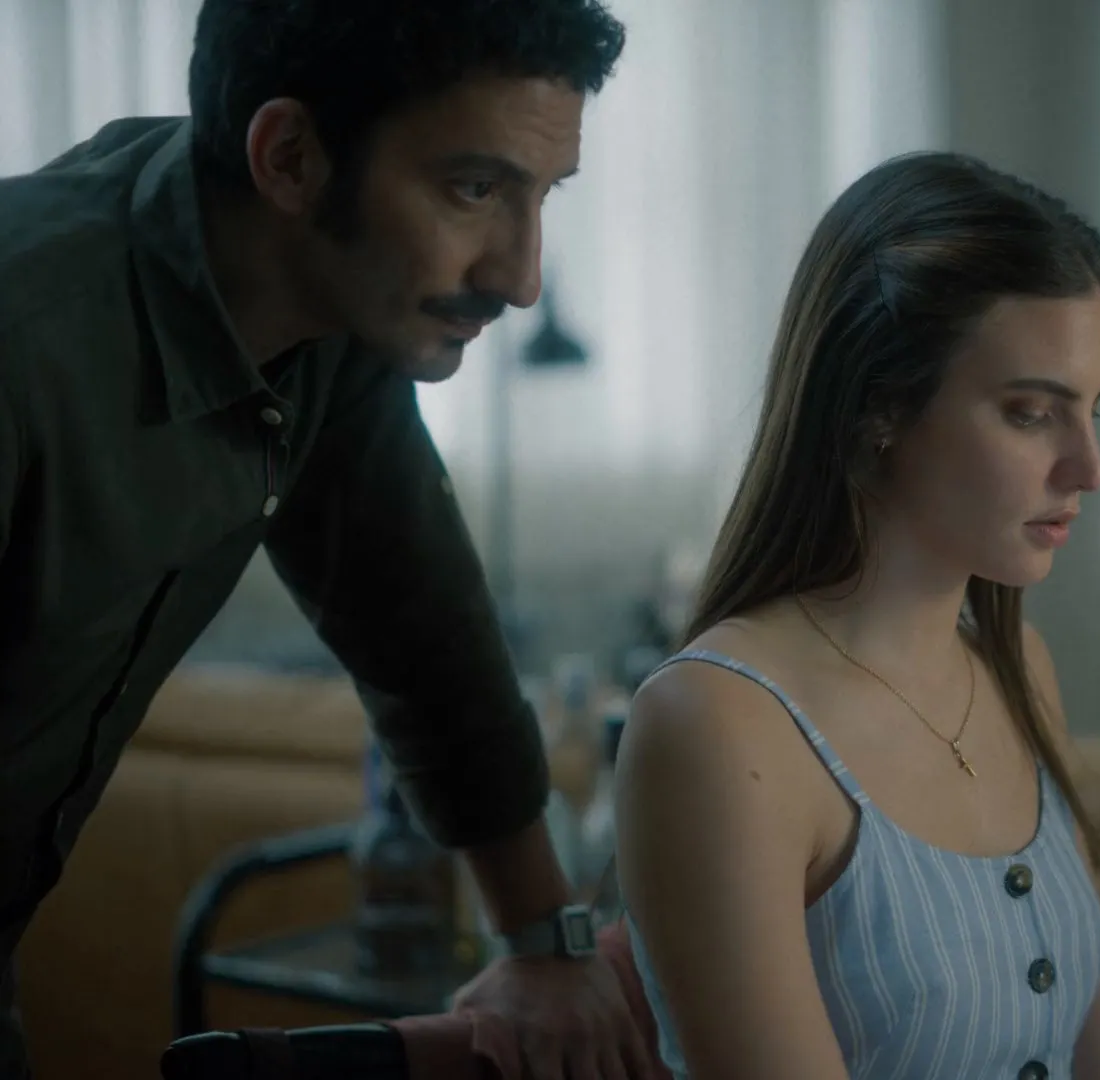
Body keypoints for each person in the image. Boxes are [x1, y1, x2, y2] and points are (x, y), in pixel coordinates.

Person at [0, 2, 646, 1077]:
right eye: (474, 189)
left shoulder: (328, 324)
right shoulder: (28, 335)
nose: (522, 279)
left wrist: (545, 944)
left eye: (543, 196)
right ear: (290, 158)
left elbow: (427, 637)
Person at [613, 152, 1100, 1080]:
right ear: (878, 406)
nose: (1090, 468)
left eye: (1094, 410)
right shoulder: (717, 725)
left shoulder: (1019, 669)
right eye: (1030, 412)